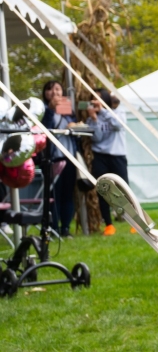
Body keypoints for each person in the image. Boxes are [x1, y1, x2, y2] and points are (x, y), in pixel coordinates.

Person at [86, 88, 130, 236]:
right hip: (100, 156)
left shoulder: (118, 112)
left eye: (98, 98)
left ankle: (135, 222)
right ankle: (109, 225)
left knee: (124, 189)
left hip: (118, 155)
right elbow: (97, 138)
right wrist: (94, 119)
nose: (95, 102)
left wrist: (104, 111)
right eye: (93, 99)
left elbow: (119, 126)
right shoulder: (92, 117)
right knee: (103, 189)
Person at [41, 81, 78, 237]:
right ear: (45, 93)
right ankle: (54, 227)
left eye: (57, 89)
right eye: (50, 89)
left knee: (67, 194)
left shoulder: (67, 110)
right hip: (52, 159)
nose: (54, 92)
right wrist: (50, 110)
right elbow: (43, 131)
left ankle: (66, 228)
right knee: (53, 194)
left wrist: (73, 126)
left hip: (69, 157)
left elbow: (77, 133)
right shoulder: (42, 110)